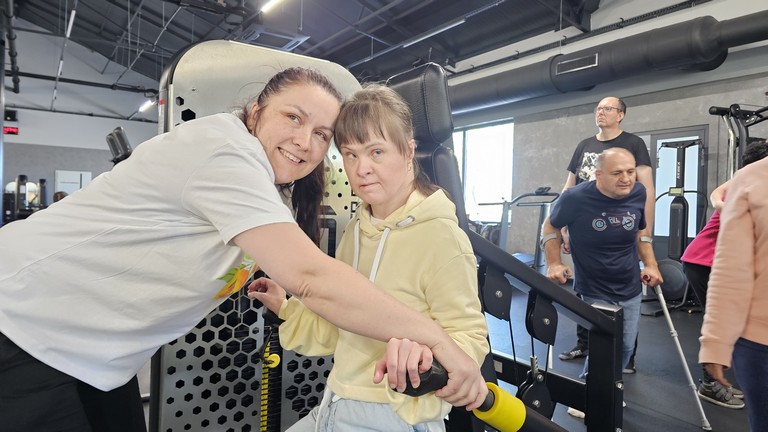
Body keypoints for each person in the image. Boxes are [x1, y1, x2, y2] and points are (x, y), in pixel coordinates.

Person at [0, 68, 486, 432]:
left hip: (95, 355)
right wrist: (441, 345)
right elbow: (313, 279)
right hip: (26, 321)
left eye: (321, 134)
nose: (305, 141)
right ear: (256, 111)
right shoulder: (225, 151)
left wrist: (289, 304)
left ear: (408, 151)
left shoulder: (276, 191)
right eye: (293, 117)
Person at [249, 84, 489, 431]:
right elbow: (339, 323)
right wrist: (286, 307)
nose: (361, 169)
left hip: (395, 413)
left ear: (408, 151)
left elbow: (469, 337)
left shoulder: (440, 236)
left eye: (376, 152)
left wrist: (424, 357)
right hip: (336, 399)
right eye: (351, 154)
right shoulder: (358, 230)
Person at [541, 147, 662, 418]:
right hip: (594, 284)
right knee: (602, 346)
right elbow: (550, 227)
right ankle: (590, 392)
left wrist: (651, 263)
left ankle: (607, 388)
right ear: (598, 175)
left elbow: (641, 231)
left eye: (630, 172)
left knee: (625, 347)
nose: (626, 179)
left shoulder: (638, 193)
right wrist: (554, 262)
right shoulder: (575, 197)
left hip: (629, 283)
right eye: (617, 173)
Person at [558, 97, 655, 374]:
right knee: (585, 289)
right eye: (598, 108)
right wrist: (563, 227)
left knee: (626, 290)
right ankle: (585, 344)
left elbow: (646, 188)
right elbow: (569, 185)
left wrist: (645, 232)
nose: (601, 112)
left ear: (621, 114)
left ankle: (626, 353)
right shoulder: (584, 145)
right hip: (585, 227)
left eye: (608, 108)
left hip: (621, 225)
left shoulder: (633, 144)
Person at [683, 140, 768, 410]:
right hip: (704, 261)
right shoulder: (748, 186)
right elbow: (719, 197)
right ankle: (710, 383)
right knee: (722, 320)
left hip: (708, 260)